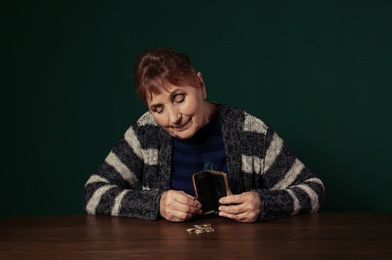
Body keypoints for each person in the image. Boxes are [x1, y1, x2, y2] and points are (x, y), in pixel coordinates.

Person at [84, 47, 325, 223]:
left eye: (179, 99)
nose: (173, 118)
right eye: (158, 109)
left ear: (200, 85)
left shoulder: (249, 132)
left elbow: (313, 190)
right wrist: (156, 203)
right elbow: (94, 192)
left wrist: (264, 204)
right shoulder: (146, 131)